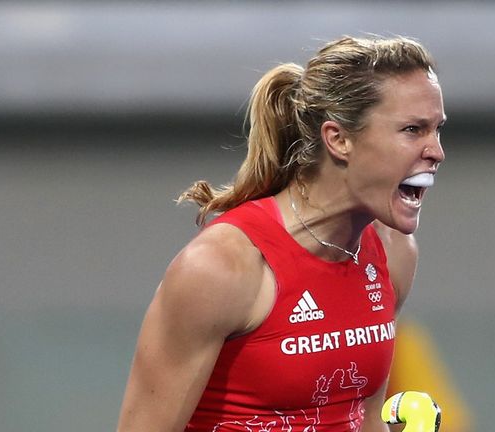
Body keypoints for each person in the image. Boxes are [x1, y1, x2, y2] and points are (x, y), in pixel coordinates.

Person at [117, 35, 446, 432]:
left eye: (437, 130)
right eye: (413, 130)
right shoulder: (220, 268)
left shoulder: (394, 253)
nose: (436, 151)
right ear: (339, 139)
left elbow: (365, 417)